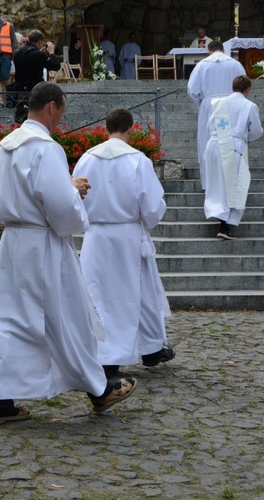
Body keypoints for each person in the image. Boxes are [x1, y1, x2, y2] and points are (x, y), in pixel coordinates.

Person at [0, 82, 137, 424]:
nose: (60, 120)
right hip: (44, 246)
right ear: (51, 107)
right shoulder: (45, 148)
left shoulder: (5, 146)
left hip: (13, 245)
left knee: (6, 322)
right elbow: (60, 208)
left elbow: (1, 197)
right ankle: (98, 390)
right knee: (65, 320)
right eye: (61, 112)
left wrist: (67, 187)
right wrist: (75, 199)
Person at [72, 108, 174, 379]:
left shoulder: (87, 158)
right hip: (127, 236)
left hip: (96, 236)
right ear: (131, 128)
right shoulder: (137, 160)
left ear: (106, 128)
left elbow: (75, 195)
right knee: (131, 295)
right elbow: (151, 205)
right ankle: (111, 358)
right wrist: (147, 218)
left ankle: (150, 347)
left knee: (103, 297)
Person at [202, 75, 263, 240]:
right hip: (232, 146)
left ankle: (217, 215)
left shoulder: (217, 103)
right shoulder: (249, 106)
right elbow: (256, 131)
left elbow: (210, 126)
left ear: (233, 87)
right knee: (233, 187)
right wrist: (243, 137)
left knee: (216, 184)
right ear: (247, 90)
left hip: (213, 145)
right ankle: (224, 225)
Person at [187, 41, 246, 190]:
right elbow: (244, 85)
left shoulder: (202, 65)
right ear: (223, 50)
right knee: (231, 141)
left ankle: (209, 184)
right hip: (231, 106)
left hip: (210, 106)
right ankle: (231, 182)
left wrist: (203, 103)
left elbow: (192, 90)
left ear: (209, 51)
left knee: (208, 143)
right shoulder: (235, 64)